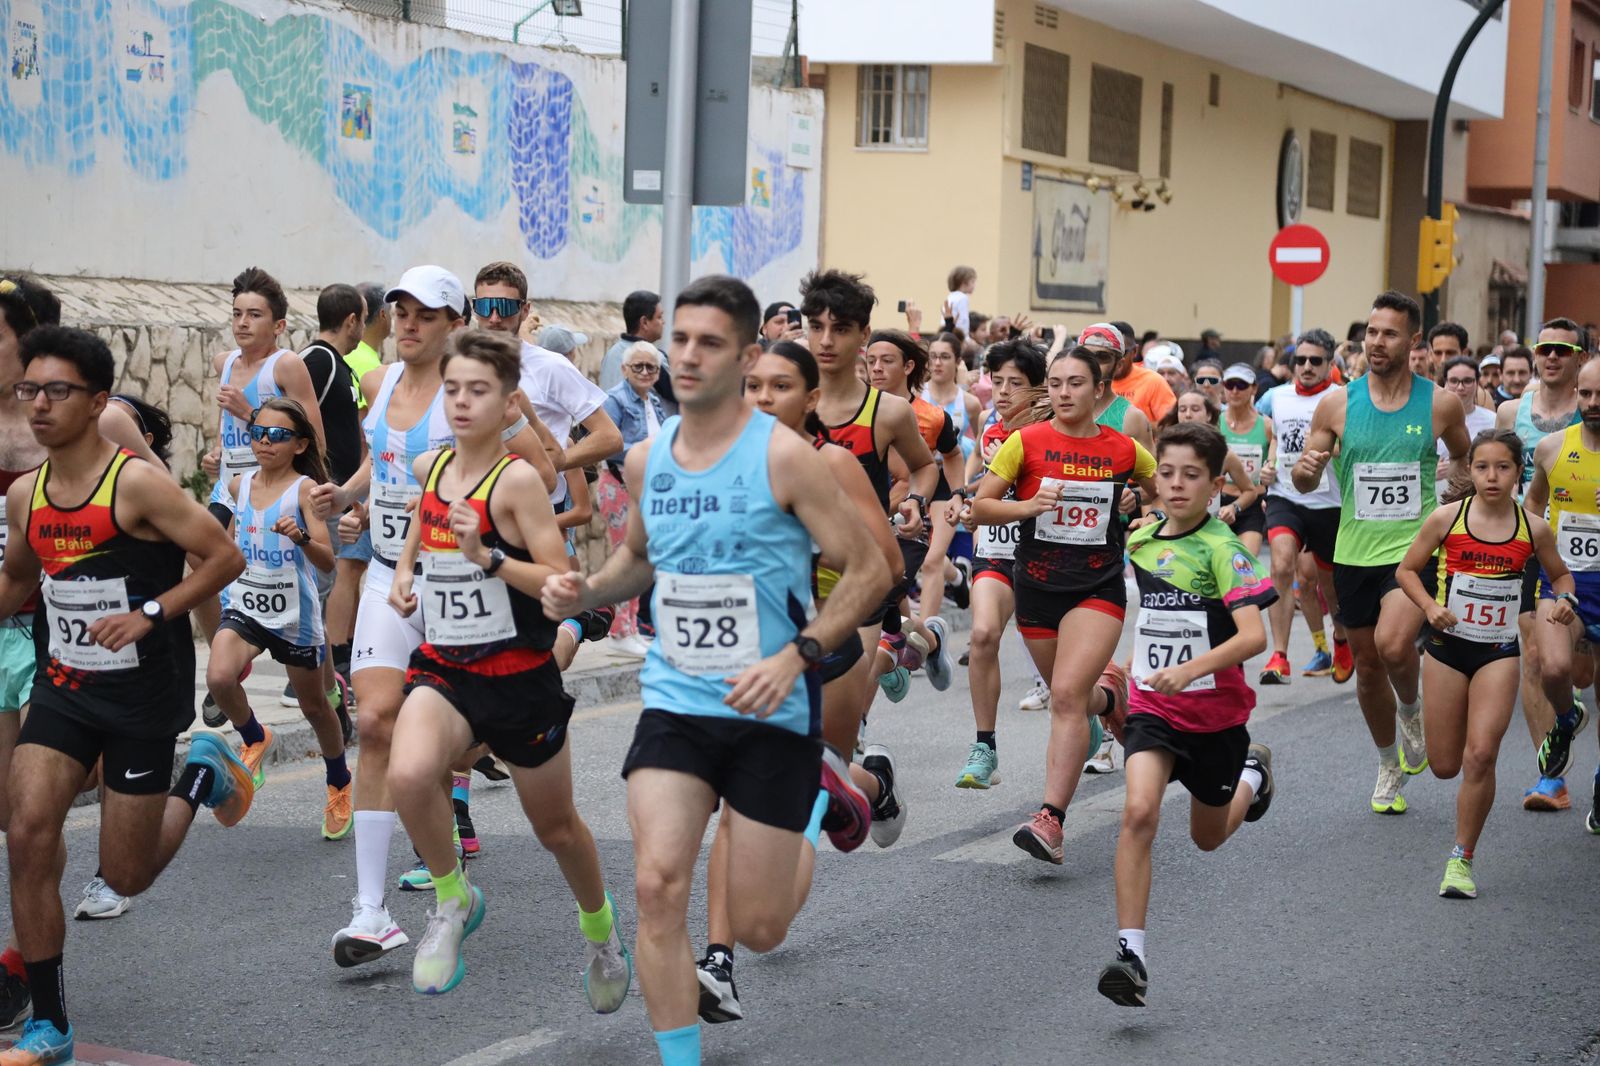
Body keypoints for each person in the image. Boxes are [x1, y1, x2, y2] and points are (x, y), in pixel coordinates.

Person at [539, 275, 891, 1066]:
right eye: (680, 341)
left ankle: (817, 805)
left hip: (772, 708)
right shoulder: (645, 457)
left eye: (710, 344)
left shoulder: (789, 459)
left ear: (745, 356)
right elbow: (638, 560)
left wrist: (797, 654)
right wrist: (584, 591)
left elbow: (868, 570)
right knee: (660, 885)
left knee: (761, 928)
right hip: (678, 701)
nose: (688, 358)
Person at [0, 326, 251, 1065]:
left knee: (125, 873)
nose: (39, 406)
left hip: (143, 696)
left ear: (98, 401)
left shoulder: (136, 484)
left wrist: (149, 613)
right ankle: (51, 1023)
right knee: (27, 832)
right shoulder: (26, 495)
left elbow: (223, 555)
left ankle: (203, 772)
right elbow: (19, 580)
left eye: (57, 392)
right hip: (66, 687)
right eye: (29, 390)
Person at [382, 328, 632, 1002]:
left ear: (508, 402)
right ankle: (452, 898)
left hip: (519, 675)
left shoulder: (518, 481)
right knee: (407, 773)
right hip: (449, 666)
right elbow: (418, 532)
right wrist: (405, 578)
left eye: (478, 391)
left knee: (556, 828)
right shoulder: (434, 468)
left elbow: (560, 576)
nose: (461, 403)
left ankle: (602, 934)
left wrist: (487, 556)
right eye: (452, 389)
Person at [316, 265, 555, 968]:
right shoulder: (379, 384)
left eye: (426, 313)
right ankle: (371, 912)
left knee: (466, 731)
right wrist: (349, 495)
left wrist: (482, 495)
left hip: (466, 584)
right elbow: (379, 463)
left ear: (455, 322)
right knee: (375, 723)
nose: (409, 324)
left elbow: (541, 471)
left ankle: (451, 826)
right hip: (395, 576)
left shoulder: (472, 394)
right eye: (400, 311)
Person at [694, 339, 904, 1023]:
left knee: (807, 799)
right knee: (732, 802)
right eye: (751, 387)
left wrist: (825, 620)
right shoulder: (721, 463)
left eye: (778, 388)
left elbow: (884, 562)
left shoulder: (832, 462)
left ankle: (849, 791)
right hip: (745, 650)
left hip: (830, 643)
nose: (760, 400)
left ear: (811, 400)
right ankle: (718, 961)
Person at [1098, 422, 1276, 1007]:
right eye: (1167, 472)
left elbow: (1255, 636)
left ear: (1217, 484)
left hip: (1216, 716)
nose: (1176, 484)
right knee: (1139, 812)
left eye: (1191, 476)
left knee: (1207, 838)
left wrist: (1193, 670)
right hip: (1155, 706)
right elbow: (1153, 622)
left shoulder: (1227, 551)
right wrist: (1124, 675)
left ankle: (1251, 775)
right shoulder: (1142, 540)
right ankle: (1131, 954)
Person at [972, 345, 1157, 864]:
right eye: (1054, 383)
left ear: (1099, 389)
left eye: (1075, 383)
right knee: (1071, 698)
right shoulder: (1024, 442)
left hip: (1096, 587)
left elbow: (1162, 486)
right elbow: (981, 507)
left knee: (1067, 696)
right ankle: (1113, 698)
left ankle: (1050, 819)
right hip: (1035, 586)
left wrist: (1139, 503)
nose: (1063, 393)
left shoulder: (1123, 448)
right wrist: (1028, 505)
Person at [1294, 290, 1470, 815]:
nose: (1376, 342)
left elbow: (1463, 457)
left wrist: (1454, 489)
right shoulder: (1337, 403)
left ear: (1414, 341)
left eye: (1389, 333)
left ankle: (1411, 710)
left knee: (1396, 647)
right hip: (1353, 552)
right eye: (1371, 331)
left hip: (1412, 552)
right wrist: (1305, 473)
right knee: (1368, 668)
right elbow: (1306, 479)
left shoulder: (1439, 402)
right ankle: (1389, 762)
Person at [1398, 429, 1573, 899]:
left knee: (1481, 755)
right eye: (1482, 467)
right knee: (1443, 764)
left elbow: (1559, 574)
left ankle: (1461, 859)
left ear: (1519, 472)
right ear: (1469, 470)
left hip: (1498, 651)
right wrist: (1429, 608)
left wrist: (1565, 599)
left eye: (1503, 467)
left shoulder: (1532, 527)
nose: (1491, 477)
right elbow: (1407, 570)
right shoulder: (1446, 518)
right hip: (1446, 648)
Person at [802, 269, 934, 833]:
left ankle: (870, 782)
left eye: (842, 328)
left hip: (855, 585)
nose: (827, 340)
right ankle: (868, 782)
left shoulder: (887, 413)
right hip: (784, 583)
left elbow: (926, 467)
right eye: (816, 327)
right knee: (793, 748)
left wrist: (913, 504)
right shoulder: (775, 403)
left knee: (831, 741)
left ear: (863, 336)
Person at [206, 398, 349, 839]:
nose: (266, 442)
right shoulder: (238, 484)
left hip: (295, 614)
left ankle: (339, 783)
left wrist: (302, 537)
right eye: (259, 433)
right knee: (218, 678)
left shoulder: (305, 490)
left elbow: (328, 562)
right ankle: (254, 735)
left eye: (279, 435)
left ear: (300, 443)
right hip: (246, 603)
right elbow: (223, 542)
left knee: (315, 709)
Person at [1496, 318, 1588, 811]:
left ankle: (1570, 703)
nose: (1550, 356)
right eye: (1543, 348)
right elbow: (1498, 469)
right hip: (1530, 541)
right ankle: (1550, 774)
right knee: (1534, 657)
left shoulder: (1591, 406)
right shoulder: (1512, 410)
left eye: (1561, 349)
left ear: (1579, 359)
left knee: (1578, 671)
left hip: (1584, 552)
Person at [952, 339, 1047, 789]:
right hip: (995, 551)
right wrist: (968, 505)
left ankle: (1092, 715)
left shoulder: (1054, 434)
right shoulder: (992, 430)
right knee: (983, 633)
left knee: (1060, 677)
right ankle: (984, 746)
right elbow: (974, 485)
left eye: (1017, 383)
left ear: (1040, 389)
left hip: (1046, 558)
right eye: (999, 382)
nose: (1004, 392)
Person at [280, 283, 367, 724]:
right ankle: (304, 676)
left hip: (341, 492)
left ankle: (324, 673)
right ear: (351, 319)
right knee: (321, 583)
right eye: (363, 319)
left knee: (329, 583)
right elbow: (291, 415)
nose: (364, 328)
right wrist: (317, 482)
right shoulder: (317, 360)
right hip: (324, 492)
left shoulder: (340, 365)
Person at [1522, 355, 1600, 829]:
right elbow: (1533, 502)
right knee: (1551, 666)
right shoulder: (1552, 448)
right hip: (1564, 581)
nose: (1593, 404)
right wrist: (1533, 545)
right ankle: (1567, 717)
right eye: (1586, 394)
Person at [864, 329, 958, 694]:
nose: (876, 368)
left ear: (908, 366)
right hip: (864, 526)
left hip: (908, 522)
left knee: (875, 607)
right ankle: (930, 639)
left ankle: (859, 720)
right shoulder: (856, 408)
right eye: (870, 361)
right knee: (895, 613)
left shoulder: (930, 417)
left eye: (886, 361)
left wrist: (958, 494)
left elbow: (945, 459)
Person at [1257, 329, 1349, 685]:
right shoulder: (1276, 397)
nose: (1307, 367)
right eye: (1301, 360)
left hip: (1329, 502)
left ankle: (1340, 638)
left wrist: (1328, 452)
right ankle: (1279, 655)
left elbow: (1349, 446)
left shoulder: (1341, 399)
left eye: (1316, 361)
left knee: (1329, 584)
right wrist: (1269, 465)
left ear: (1330, 364)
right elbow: (1276, 438)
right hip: (1286, 495)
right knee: (1281, 562)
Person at [600, 342, 669, 656]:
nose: (644, 372)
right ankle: (618, 631)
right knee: (626, 556)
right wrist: (642, 452)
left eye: (650, 367)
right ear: (625, 369)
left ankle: (631, 628)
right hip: (619, 485)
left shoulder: (652, 399)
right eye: (638, 366)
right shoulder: (616, 399)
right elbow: (604, 441)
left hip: (645, 490)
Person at [1171, 389, 1261, 526]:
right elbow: (1156, 492)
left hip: (1210, 529)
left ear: (1208, 415)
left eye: (1195, 409)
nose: (1188, 415)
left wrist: (1233, 507)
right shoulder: (1167, 450)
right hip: (1177, 528)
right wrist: (1152, 516)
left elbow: (1250, 491)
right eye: (1182, 410)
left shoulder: (1223, 453)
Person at [1218, 363, 1273, 557]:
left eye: (1241, 385)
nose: (1234, 391)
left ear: (1254, 389)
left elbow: (1274, 465)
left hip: (1252, 504)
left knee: (1246, 566)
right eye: (1229, 385)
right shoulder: (1215, 423)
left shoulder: (1266, 426)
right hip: (1219, 502)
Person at [1437, 358, 1497, 500]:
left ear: (1477, 383)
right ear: (1445, 382)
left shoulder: (1493, 420)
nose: (1460, 387)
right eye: (1454, 381)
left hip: (1480, 495)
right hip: (1439, 494)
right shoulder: (1431, 418)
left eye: (1467, 381)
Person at [1105, 321, 1176, 424]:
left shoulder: (1153, 381)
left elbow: (1170, 426)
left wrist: (1137, 427)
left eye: (1121, 353)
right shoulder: (1093, 382)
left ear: (1134, 351)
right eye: (1108, 353)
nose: (1115, 358)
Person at [600, 289, 667, 391]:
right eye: (659, 317)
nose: (663, 322)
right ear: (644, 322)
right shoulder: (653, 358)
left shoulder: (611, 354)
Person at [946, 265, 976, 336]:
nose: (974, 285)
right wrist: (966, 338)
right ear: (964, 283)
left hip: (948, 332)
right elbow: (963, 320)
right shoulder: (963, 298)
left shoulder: (950, 296)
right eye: (972, 282)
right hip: (958, 335)